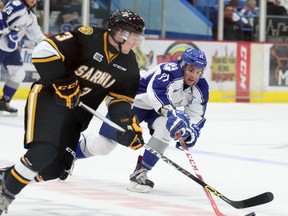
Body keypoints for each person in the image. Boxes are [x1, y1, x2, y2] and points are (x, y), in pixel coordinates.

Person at [0, 8, 145, 214]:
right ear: (118, 33)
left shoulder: (129, 64)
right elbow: (43, 51)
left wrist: (127, 125)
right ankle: (4, 194)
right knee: (43, 152)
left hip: (75, 115)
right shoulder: (88, 38)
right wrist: (64, 83)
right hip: (49, 99)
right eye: (133, 36)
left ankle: (6, 178)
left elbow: (119, 101)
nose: (136, 42)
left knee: (55, 169)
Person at [73, 47, 209, 193]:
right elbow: (157, 93)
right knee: (104, 146)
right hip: (131, 102)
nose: (194, 75)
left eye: (198, 71)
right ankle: (70, 152)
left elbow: (196, 116)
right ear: (182, 65)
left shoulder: (201, 87)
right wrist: (171, 113)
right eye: (191, 69)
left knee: (166, 128)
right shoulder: (169, 71)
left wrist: (189, 132)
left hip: (157, 111)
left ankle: (141, 173)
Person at [0, 0, 46, 116]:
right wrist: (8, 34)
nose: (33, 0)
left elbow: (36, 34)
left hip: (10, 49)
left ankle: (4, 102)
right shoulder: (17, 5)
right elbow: (1, 17)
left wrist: (50, 43)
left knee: (19, 74)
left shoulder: (30, 16)